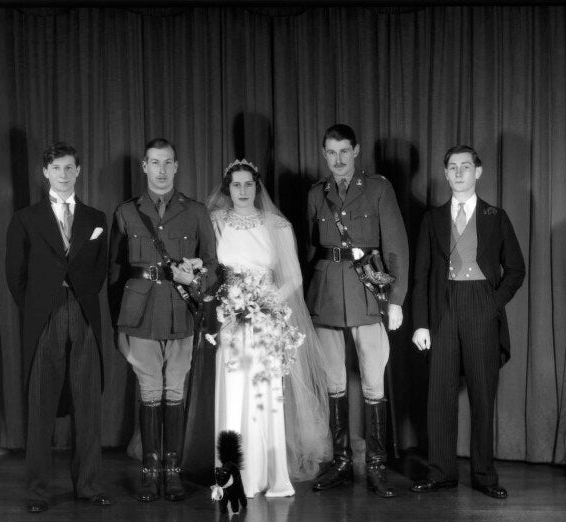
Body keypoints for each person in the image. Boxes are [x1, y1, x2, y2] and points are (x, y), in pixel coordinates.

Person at [207, 159, 331, 498]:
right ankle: (232, 475)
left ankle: (268, 473)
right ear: (227, 189)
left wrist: (263, 303)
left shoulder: (276, 225)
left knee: (263, 398)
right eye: (236, 185)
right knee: (233, 395)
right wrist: (231, 304)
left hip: (265, 322)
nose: (243, 191)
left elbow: (293, 277)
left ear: (257, 187)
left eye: (249, 184)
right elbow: (208, 269)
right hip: (230, 320)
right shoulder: (214, 222)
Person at [410, 145, 525, 499]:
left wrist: (492, 303)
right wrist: (420, 324)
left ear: (478, 172)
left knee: (482, 394)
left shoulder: (496, 217)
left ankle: (484, 476)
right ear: (445, 174)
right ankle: (441, 472)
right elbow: (422, 275)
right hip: (442, 310)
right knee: (440, 395)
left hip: (481, 308)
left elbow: (516, 270)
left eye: (465, 166)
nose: (458, 172)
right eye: (452, 167)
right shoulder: (432, 218)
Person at [108, 138, 217, 503]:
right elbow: (115, 272)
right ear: (144, 166)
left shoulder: (196, 211)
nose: (161, 169)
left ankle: (172, 471)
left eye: (167, 162)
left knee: (175, 391)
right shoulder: (126, 212)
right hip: (138, 312)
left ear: (176, 166)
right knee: (149, 392)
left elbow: (214, 266)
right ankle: (149, 471)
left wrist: (198, 280)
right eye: (154, 162)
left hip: (181, 310)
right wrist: (115, 324)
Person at [5, 141, 111, 513]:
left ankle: (89, 485)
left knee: (87, 405)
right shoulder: (26, 218)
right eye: (56, 169)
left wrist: (79, 295)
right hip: (45, 317)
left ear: (78, 171)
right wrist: (39, 306)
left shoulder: (96, 218)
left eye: (69, 168)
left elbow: (101, 269)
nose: (63, 175)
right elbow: (15, 274)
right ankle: (37, 491)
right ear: (45, 172)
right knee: (41, 406)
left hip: (83, 312)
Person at [306, 124, 409, 498]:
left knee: (373, 382)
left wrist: (395, 300)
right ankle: (341, 461)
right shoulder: (317, 193)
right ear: (324, 154)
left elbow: (396, 245)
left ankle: (377, 464)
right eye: (331, 152)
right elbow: (309, 248)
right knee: (334, 382)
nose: (338, 159)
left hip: (367, 293)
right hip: (327, 294)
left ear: (356, 151)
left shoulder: (379, 188)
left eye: (344, 152)